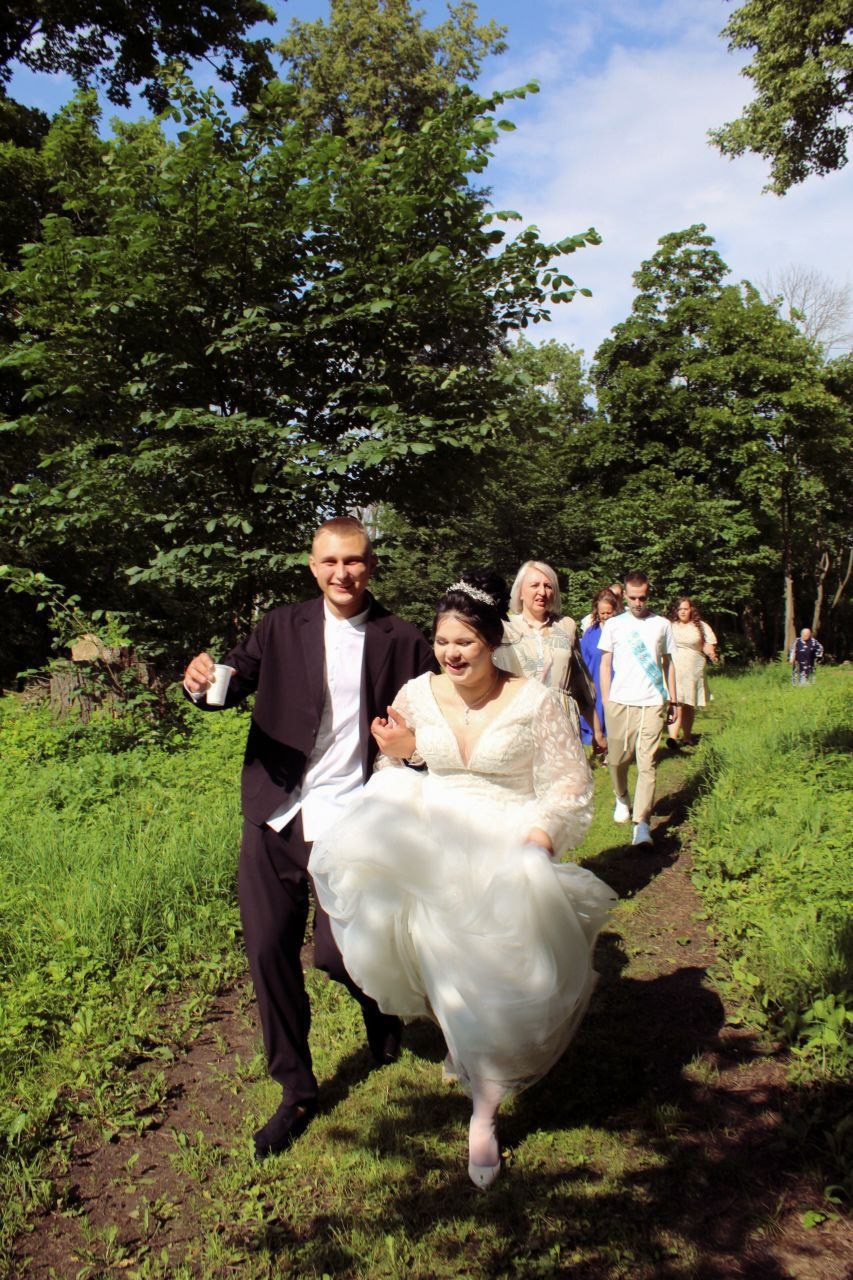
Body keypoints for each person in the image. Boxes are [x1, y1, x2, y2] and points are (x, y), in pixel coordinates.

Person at [309, 572, 616, 1190]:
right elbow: (397, 761)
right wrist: (404, 748)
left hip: (509, 839)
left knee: (499, 973)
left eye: (465, 643)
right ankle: (470, 1060)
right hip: (435, 845)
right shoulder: (417, 694)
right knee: (450, 971)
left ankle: (483, 1112)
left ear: (492, 642)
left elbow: (569, 787)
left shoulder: (539, 702)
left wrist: (543, 834)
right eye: (443, 640)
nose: (451, 653)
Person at [182, 517, 437, 1159]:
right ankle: (296, 1089)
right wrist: (202, 685)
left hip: (350, 817)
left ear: (371, 565)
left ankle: (380, 1007)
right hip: (273, 811)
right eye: (329, 562)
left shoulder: (401, 639)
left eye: (352, 561)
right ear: (311, 566)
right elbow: (231, 681)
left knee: (335, 954)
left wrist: (417, 753)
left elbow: (435, 718)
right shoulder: (280, 626)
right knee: (268, 952)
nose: (340, 573)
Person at [598, 571, 677, 848]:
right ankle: (621, 797)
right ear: (626, 597)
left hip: (653, 701)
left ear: (648, 594)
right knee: (618, 759)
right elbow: (605, 665)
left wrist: (673, 699)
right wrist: (607, 701)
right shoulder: (614, 625)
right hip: (620, 702)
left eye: (642, 597)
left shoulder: (662, 625)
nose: (638, 602)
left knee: (648, 763)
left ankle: (641, 824)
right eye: (632, 598)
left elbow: (668, 664)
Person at [495, 560, 605, 750]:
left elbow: (580, 683)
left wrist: (598, 732)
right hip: (519, 723)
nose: (542, 592)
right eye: (534, 585)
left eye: (548, 586)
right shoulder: (504, 628)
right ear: (520, 592)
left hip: (562, 723)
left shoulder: (566, 626)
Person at [666, 597, 718, 746]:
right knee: (676, 701)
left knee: (689, 703)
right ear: (676, 611)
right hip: (674, 667)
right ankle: (673, 738)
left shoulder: (700, 626)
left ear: (691, 610)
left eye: (686, 609)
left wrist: (712, 654)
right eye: (680, 609)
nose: (683, 612)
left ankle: (687, 736)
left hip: (693, 669)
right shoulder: (670, 626)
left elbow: (708, 644)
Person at [579, 588, 620, 756]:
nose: (605, 616)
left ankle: (614, 751)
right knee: (597, 716)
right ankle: (600, 746)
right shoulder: (591, 632)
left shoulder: (622, 630)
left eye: (609, 613)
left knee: (615, 718)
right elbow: (584, 657)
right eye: (602, 613)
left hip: (617, 681)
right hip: (595, 679)